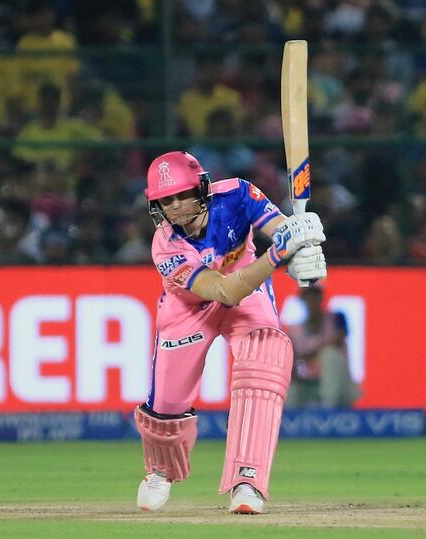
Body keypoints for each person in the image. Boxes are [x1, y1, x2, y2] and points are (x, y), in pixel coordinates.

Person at [134, 151, 326, 515]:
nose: (174, 206)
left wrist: (301, 244)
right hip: (189, 308)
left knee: (266, 357)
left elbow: (282, 230)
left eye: (182, 195)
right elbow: (223, 290)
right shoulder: (166, 246)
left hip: (249, 296)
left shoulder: (238, 194)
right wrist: (276, 258)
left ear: (201, 188)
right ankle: (161, 469)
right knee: (167, 406)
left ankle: (247, 480)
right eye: (165, 199)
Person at [285, 284, 360, 409]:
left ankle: (329, 411)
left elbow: (337, 340)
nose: (312, 301)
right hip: (308, 385)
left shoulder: (337, 318)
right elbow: (293, 361)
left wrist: (309, 354)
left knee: (329, 355)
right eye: (309, 297)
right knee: (290, 388)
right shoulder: (295, 330)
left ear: (321, 298)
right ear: (303, 300)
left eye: (315, 297)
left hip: (338, 387)